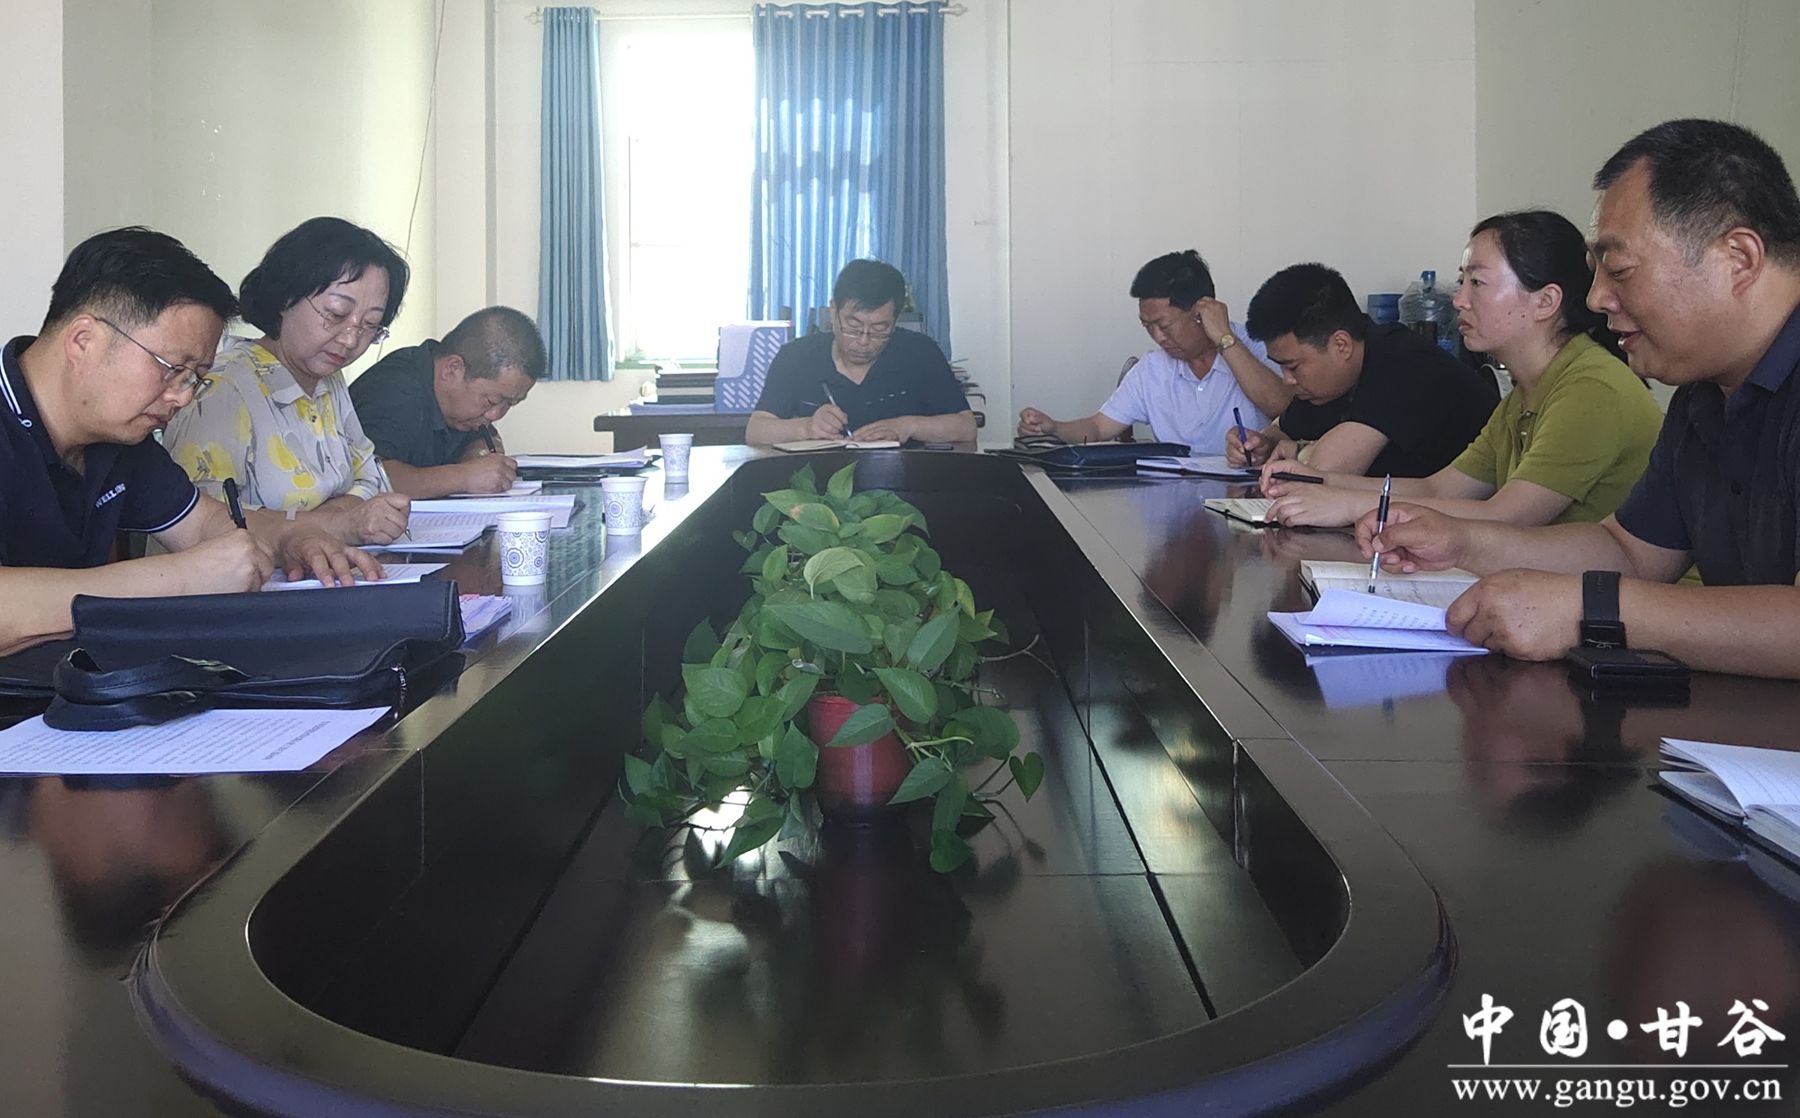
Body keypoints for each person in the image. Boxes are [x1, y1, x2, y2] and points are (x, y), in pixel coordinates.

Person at [1362, 119, 1800, 678]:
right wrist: (1462, 543)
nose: (1595, 300)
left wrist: (1592, 609)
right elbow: (1630, 552)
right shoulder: (1702, 397)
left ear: (1738, 258)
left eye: (1619, 271)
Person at [0, 228, 382, 655]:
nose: (183, 397)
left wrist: (291, 539)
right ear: (83, 341)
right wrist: (180, 578)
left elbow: (201, 523)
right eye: (172, 368)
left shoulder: (120, 438)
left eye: (194, 378)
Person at [1262, 211, 1661, 528]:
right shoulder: (1522, 397)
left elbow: (1506, 517)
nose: (1459, 300)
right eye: (1461, 281)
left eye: (1477, 283)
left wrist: (1349, 506)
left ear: (1545, 302)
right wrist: (1317, 482)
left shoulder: (1590, 389)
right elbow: (1437, 490)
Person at [164, 217, 413, 545]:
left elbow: (372, 478)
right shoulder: (222, 390)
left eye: (370, 325)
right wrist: (338, 523)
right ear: (286, 297)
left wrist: (336, 518)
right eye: (336, 314)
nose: (351, 339)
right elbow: (205, 524)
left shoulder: (328, 380)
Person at [1226, 263, 1500, 476]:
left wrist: (1300, 451)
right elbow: (1282, 431)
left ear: (1341, 345)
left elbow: (1323, 473)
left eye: (1293, 367)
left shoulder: (1402, 362)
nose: (1288, 380)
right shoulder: (1330, 381)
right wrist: (1259, 446)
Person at [1015, 250, 1290, 448]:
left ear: (1200, 312)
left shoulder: (1258, 345)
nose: (1158, 337)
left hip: (1249, 497)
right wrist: (1054, 428)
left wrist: (1225, 339)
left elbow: (1284, 409)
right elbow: (1098, 427)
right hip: (1174, 500)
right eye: (1147, 326)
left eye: (1163, 325)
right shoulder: (1153, 369)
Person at [745, 260, 975, 446]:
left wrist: (906, 426)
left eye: (879, 329)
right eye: (853, 327)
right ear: (833, 310)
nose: (864, 341)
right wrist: (806, 427)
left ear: (895, 320)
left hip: (902, 481)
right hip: (817, 486)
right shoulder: (796, 356)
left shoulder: (920, 353)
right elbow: (756, 431)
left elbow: (966, 427)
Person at [349, 306, 546, 498]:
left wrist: (480, 455)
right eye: (491, 401)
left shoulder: (463, 410)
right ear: (453, 369)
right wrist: (464, 477)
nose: (496, 415)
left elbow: (486, 440)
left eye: (511, 403)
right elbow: (371, 478)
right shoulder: (394, 392)